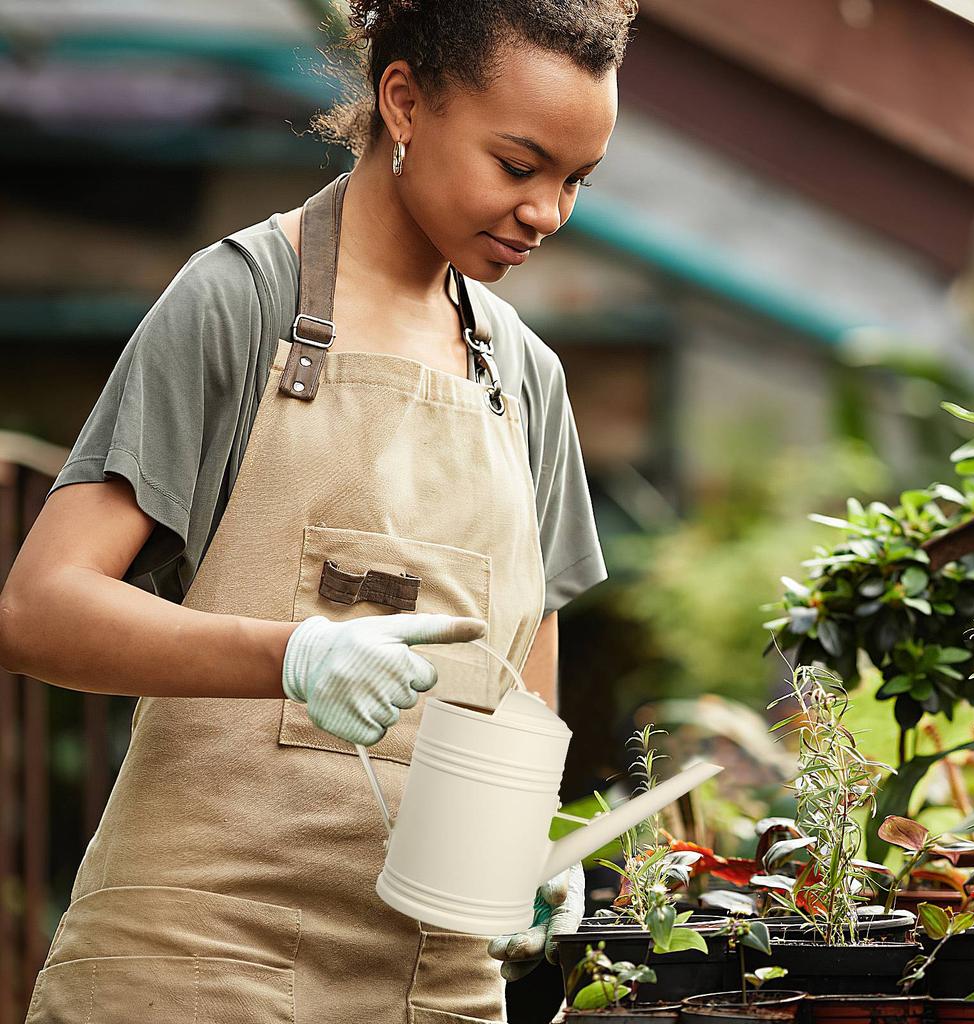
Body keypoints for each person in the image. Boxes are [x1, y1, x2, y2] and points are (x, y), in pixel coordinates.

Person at [0, 0, 635, 1020]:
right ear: (404, 101)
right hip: (197, 961)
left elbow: (525, 690)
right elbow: (39, 609)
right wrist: (291, 656)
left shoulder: (526, 378)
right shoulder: (238, 301)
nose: (547, 212)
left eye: (574, 181)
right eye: (518, 166)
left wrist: (527, 847)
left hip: (433, 982)